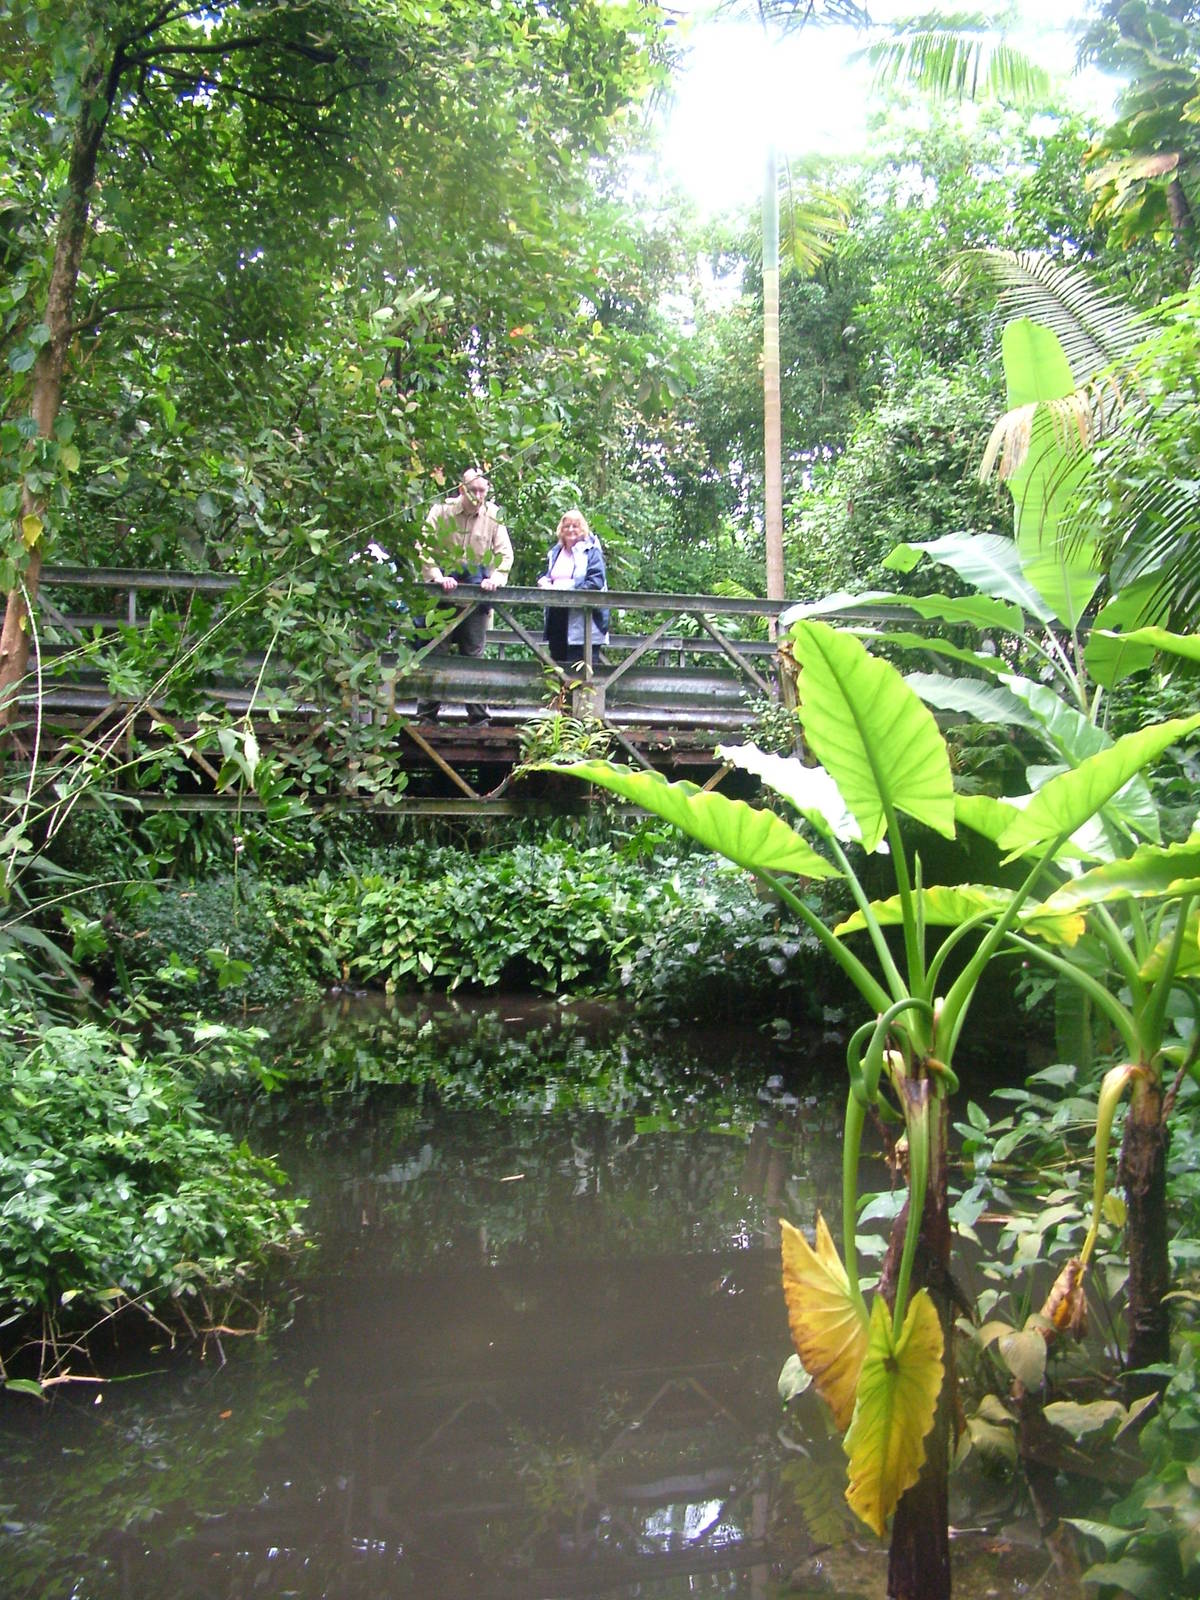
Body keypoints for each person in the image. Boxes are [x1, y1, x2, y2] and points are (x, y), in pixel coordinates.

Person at [414, 467, 513, 725]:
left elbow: (505, 554)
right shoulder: (441, 511)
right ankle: (426, 716)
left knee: (474, 656)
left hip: (475, 599)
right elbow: (423, 547)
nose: (478, 496)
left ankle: (479, 719)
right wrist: (436, 577)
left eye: (483, 491)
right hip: (443, 595)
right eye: (473, 490)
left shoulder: (494, 516)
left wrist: (495, 579)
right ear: (461, 489)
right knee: (436, 653)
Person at [537, 509, 610, 670]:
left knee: (581, 673)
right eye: (567, 526)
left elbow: (595, 582)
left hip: (584, 622)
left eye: (575, 526)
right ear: (561, 530)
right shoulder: (555, 552)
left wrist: (565, 589)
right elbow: (550, 576)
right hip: (557, 620)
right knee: (556, 670)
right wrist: (544, 582)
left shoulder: (592, 552)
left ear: (582, 529)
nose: (570, 529)